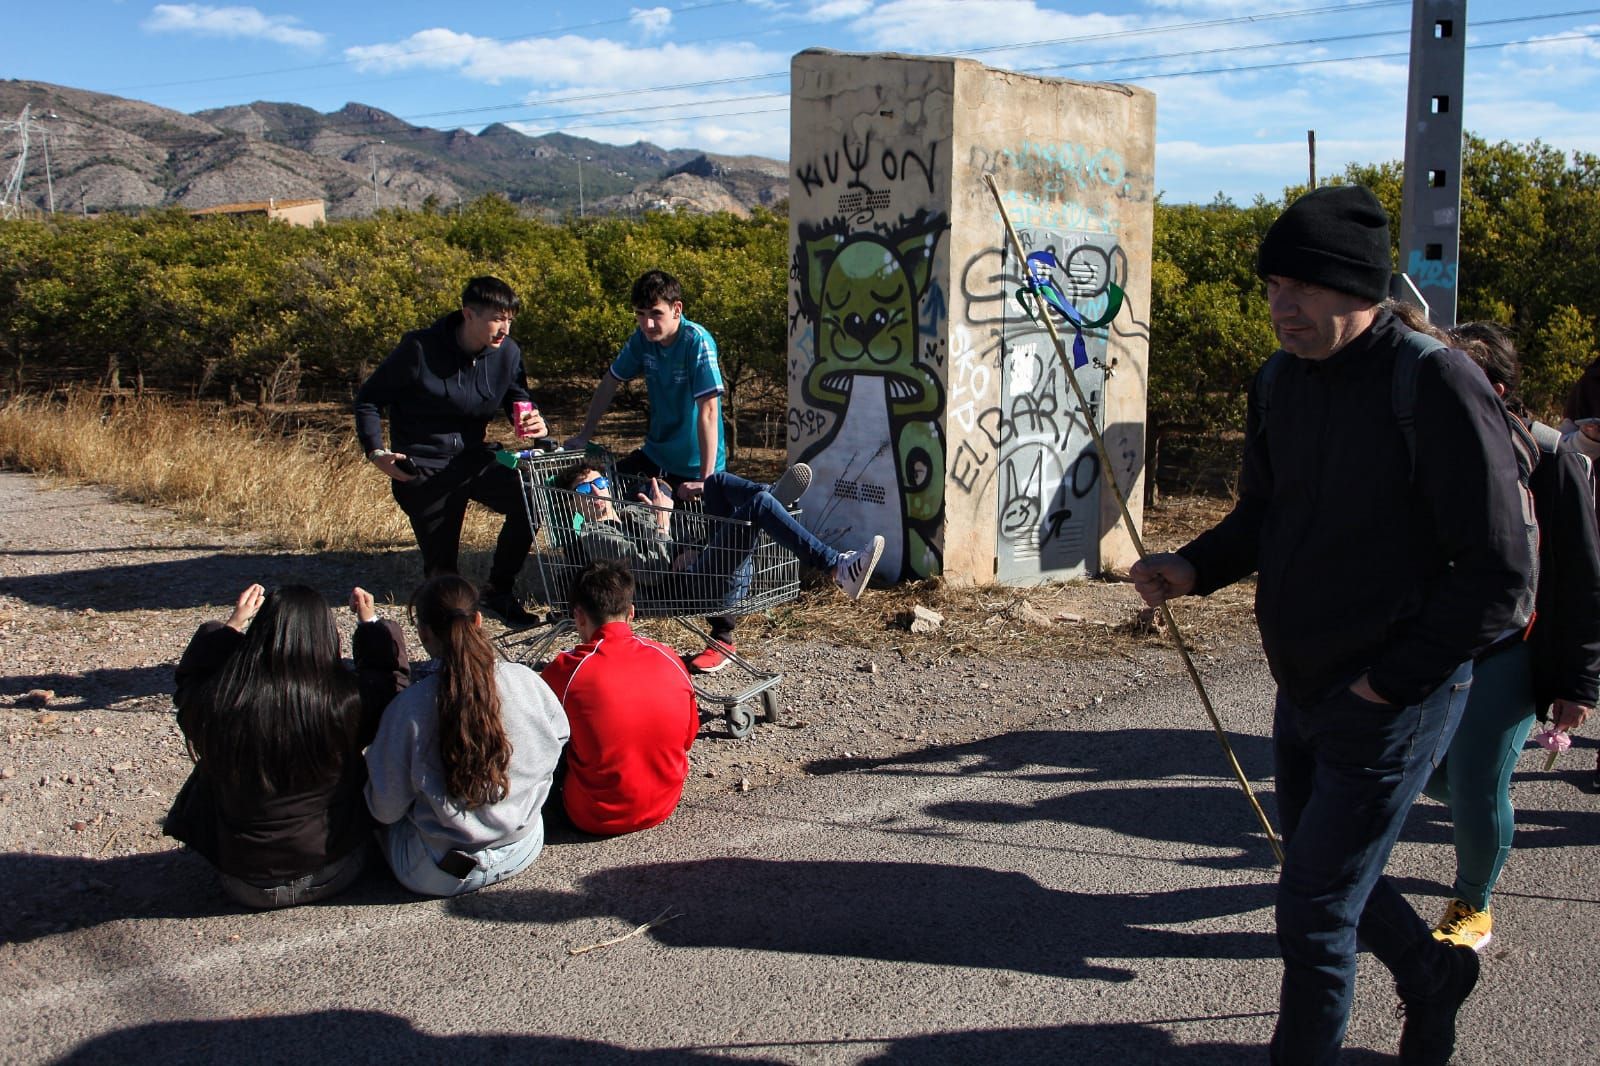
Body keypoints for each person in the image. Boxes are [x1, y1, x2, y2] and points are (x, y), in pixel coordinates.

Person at [1129, 185, 1531, 1065]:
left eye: (1302, 287)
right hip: (1304, 684)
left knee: (1312, 910)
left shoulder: (1431, 381)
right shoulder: (1277, 382)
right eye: (1273, 285)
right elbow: (1263, 515)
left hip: (1395, 696)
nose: (1281, 306)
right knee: (1325, 874)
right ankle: (1432, 975)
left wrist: (1387, 683)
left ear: (1362, 287)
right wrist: (1194, 567)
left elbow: (1501, 575)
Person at [1421, 321, 1600, 950]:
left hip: (1511, 650)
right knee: (1420, 771)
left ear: (1494, 387)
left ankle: (1473, 902)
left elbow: (1580, 580)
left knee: (1476, 781)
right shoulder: (1423, 446)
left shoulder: (1552, 460)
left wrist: (1578, 684)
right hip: (1431, 644)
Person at [165, 583, 409, 908]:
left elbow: (190, 685)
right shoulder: (346, 701)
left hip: (244, 881)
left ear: (259, 636)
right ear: (325, 636)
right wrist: (370, 624)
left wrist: (231, 627)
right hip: (336, 868)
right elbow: (391, 684)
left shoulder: (221, 703)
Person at [562, 269, 737, 671]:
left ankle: (723, 634)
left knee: (704, 540)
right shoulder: (642, 340)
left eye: (656, 314)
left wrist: (707, 479)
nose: (648, 323)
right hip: (657, 452)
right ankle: (597, 603)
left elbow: (709, 411)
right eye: (640, 314)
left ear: (677, 309)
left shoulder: (697, 342)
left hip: (695, 461)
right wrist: (585, 432)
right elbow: (611, 380)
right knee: (587, 498)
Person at [354, 276, 546, 626]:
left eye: (510, 320)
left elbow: (517, 394)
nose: (504, 328)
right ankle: (450, 630)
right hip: (423, 464)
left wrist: (532, 418)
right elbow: (368, 400)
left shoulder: (508, 352)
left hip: (475, 457)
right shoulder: (419, 349)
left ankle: (498, 590)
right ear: (468, 314)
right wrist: (376, 451)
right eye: (496, 318)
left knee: (532, 497)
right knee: (443, 575)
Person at [365, 575, 569, 897]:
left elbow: (384, 809)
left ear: (423, 633)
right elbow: (559, 739)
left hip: (438, 871)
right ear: (478, 620)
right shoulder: (525, 680)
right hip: (524, 847)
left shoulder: (408, 710)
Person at [553, 458, 884, 606]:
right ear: (574, 506)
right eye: (584, 492)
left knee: (716, 482)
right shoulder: (595, 537)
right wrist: (663, 525)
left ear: (608, 485)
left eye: (598, 483)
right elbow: (652, 571)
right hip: (687, 590)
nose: (596, 494)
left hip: (703, 567)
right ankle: (836, 566)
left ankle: (772, 493)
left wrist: (687, 540)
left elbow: (683, 537)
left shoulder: (635, 509)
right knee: (758, 507)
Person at [539, 561, 700, 835]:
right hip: (664, 803)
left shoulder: (565, 669)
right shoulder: (668, 656)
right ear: (631, 613)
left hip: (591, 816)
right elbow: (688, 737)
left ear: (578, 616)